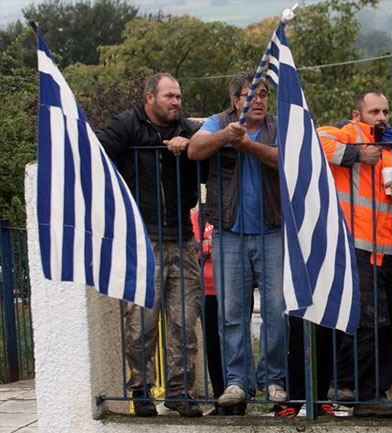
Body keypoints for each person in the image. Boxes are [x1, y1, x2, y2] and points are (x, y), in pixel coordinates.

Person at [96, 72, 203, 418]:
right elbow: (96, 152)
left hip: (184, 237)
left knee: (184, 323)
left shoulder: (187, 129)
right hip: (142, 240)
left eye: (178, 96)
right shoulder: (127, 124)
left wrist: (188, 147)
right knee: (141, 322)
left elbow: (212, 145)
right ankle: (141, 390)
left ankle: (179, 391)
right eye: (169, 96)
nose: (176, 102)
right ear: (149, 98)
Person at [188, 72, 286, 409]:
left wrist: (248, 146)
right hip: (229, 233)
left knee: (276, 311)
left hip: (273, 230)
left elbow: (286, 160)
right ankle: (236, 382)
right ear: (235, 101)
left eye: (263, 95)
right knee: (232, 313)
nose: (258, 101)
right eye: (250, 95)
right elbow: (194, 150)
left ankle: (273, 380)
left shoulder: (278, 125)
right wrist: (225, 137)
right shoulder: (219, 122)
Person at [318, 89, 392, 416]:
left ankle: (372, 391)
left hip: (389, 250)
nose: (382, 117)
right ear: (358, 114)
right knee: (368, 323)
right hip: (354, 247)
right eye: (374, 111)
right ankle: (362, 394)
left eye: (385, 111)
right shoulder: (346, 134)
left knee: (389, 326)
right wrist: (357, 154)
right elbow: (314, 142)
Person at [191, 210, 230, 415]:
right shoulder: (196, 218)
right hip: (206, 291)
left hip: (234, 289)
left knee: (234, 341)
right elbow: (195, 249)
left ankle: (238, 397)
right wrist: (208, 247)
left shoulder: (231, 214)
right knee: (212, 344)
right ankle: (219, 397)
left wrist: (208, 247)